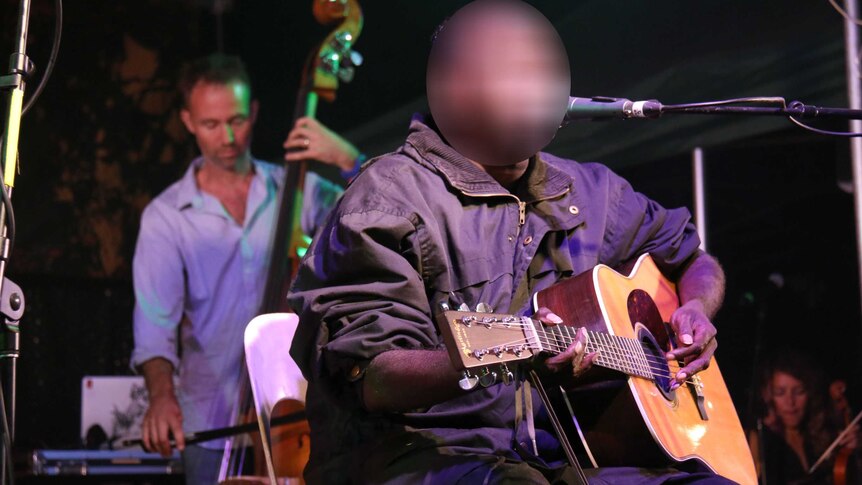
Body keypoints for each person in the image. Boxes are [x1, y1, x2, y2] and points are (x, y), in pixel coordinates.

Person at [287, 1, 734, 483]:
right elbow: (373, 377)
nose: (537, 88)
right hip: (417, 457)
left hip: (555, 457)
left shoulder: (590, 191)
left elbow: (692, 258)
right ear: (456, 86)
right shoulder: (388, 200)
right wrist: (491, 354)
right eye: (515, 73)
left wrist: (696, 311)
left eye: (543, 73)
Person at [130, 53, 362, 485]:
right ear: (187, 121)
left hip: (294, 416)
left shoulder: (298, 190)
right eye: (211, 125)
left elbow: (377, 213)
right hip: (212, 421)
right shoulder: (166, 217)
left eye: (237, 120)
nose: (228, 136)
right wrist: (161, 397)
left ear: (254, 111)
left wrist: (348, 159)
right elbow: (154, 327)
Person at [748, 350, 860, 485]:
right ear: (768, 396)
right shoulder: (760, 440)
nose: (790, 402)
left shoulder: (823, 433)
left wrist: (856, 453)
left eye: (799, 392)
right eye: (780, 393)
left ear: (810, 393)